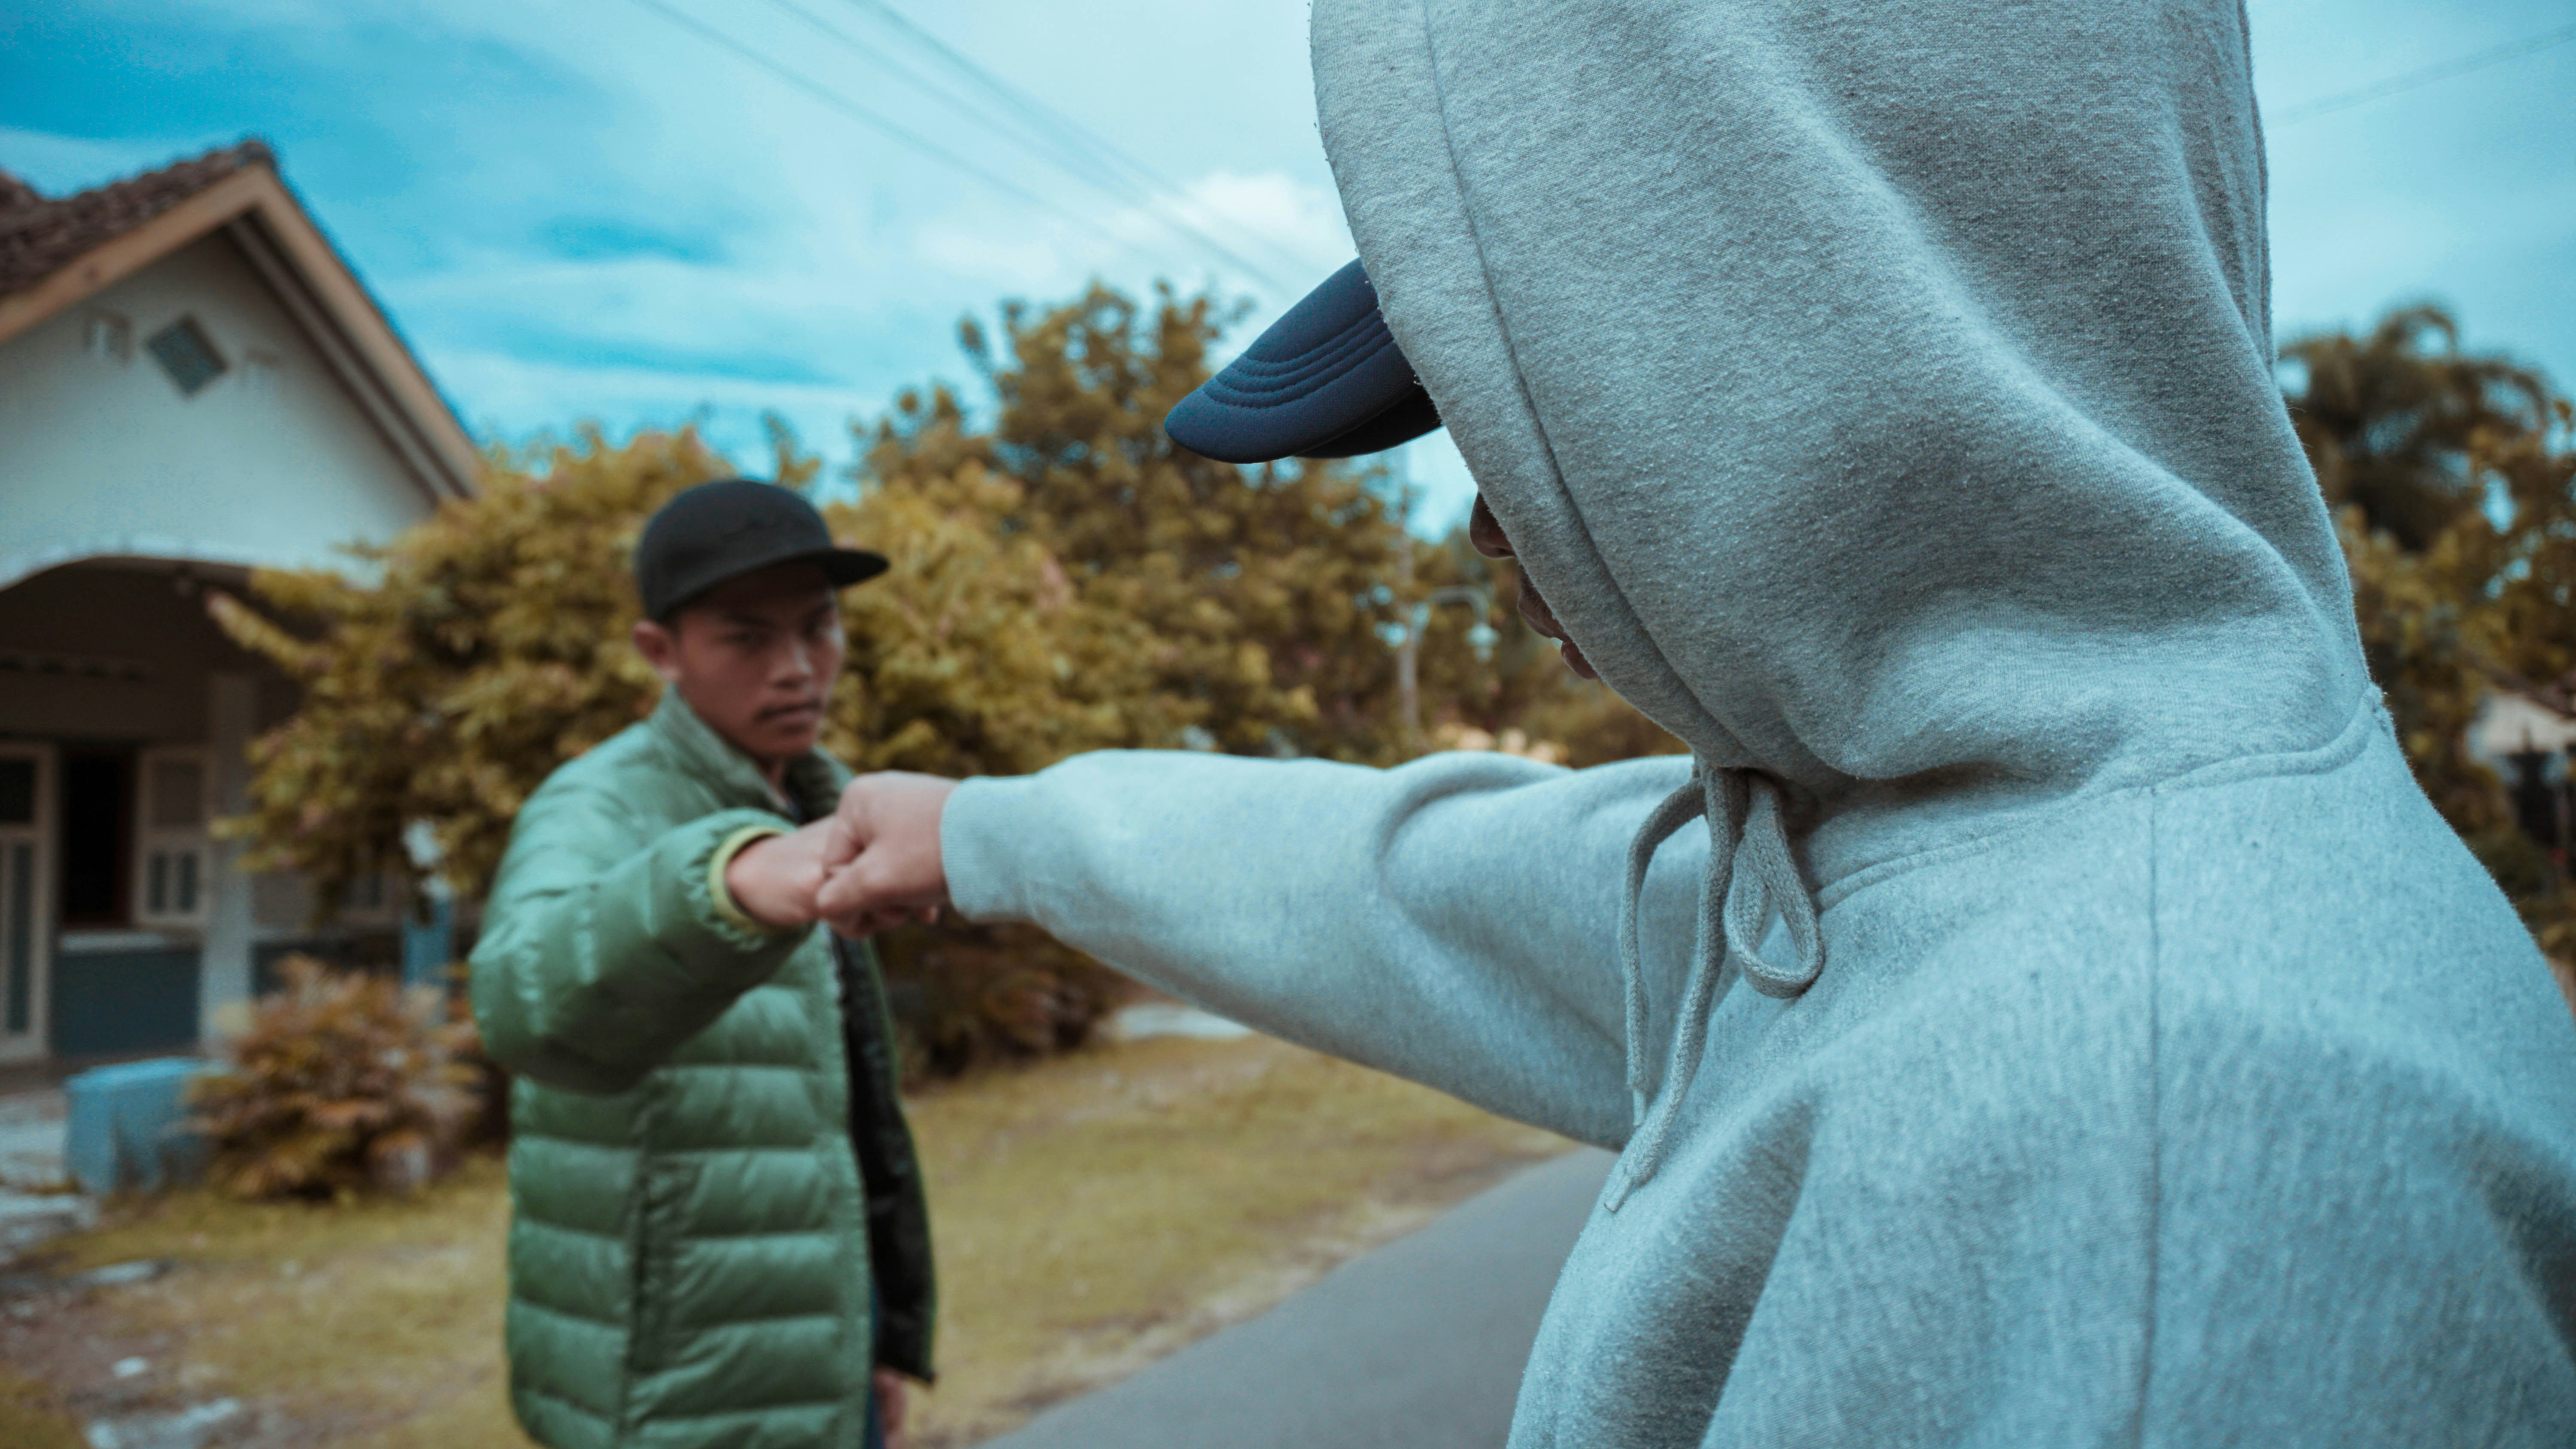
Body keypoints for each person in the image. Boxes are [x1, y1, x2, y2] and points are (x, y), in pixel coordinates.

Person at [812, 0, 2576, 1444]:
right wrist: (989, 831)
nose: (1494, 528)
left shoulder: (2167, 1178)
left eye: (1541, 403)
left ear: (1797, 368)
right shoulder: (1917, 860)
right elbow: (1417, 884)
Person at [469, 479, 934, 1449]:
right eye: (747, 637)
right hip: (668, 1394)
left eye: (819, 627)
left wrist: (879, 1338)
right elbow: (520, 1002)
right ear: (661, 652)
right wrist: (722, 884)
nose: (800, 668)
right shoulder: (595, 803)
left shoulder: (828, 802)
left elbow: (850, 1112)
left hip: (823, 1362)